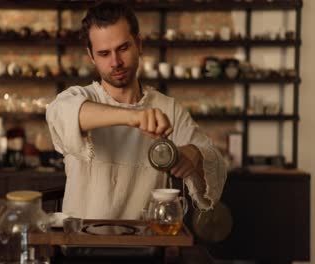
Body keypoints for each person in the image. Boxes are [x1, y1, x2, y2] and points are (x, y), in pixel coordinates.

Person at [46, 2, 226, 219]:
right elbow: (60, 113)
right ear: (92, 56)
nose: (116, 62)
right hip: (80, 241)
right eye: (104, 53)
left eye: (123, 48)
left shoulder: (168, 108)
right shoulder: (79, 98)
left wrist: (194, 155)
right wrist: (133, 116)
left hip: (146, 242)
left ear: (138, 44)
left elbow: (215, 161)